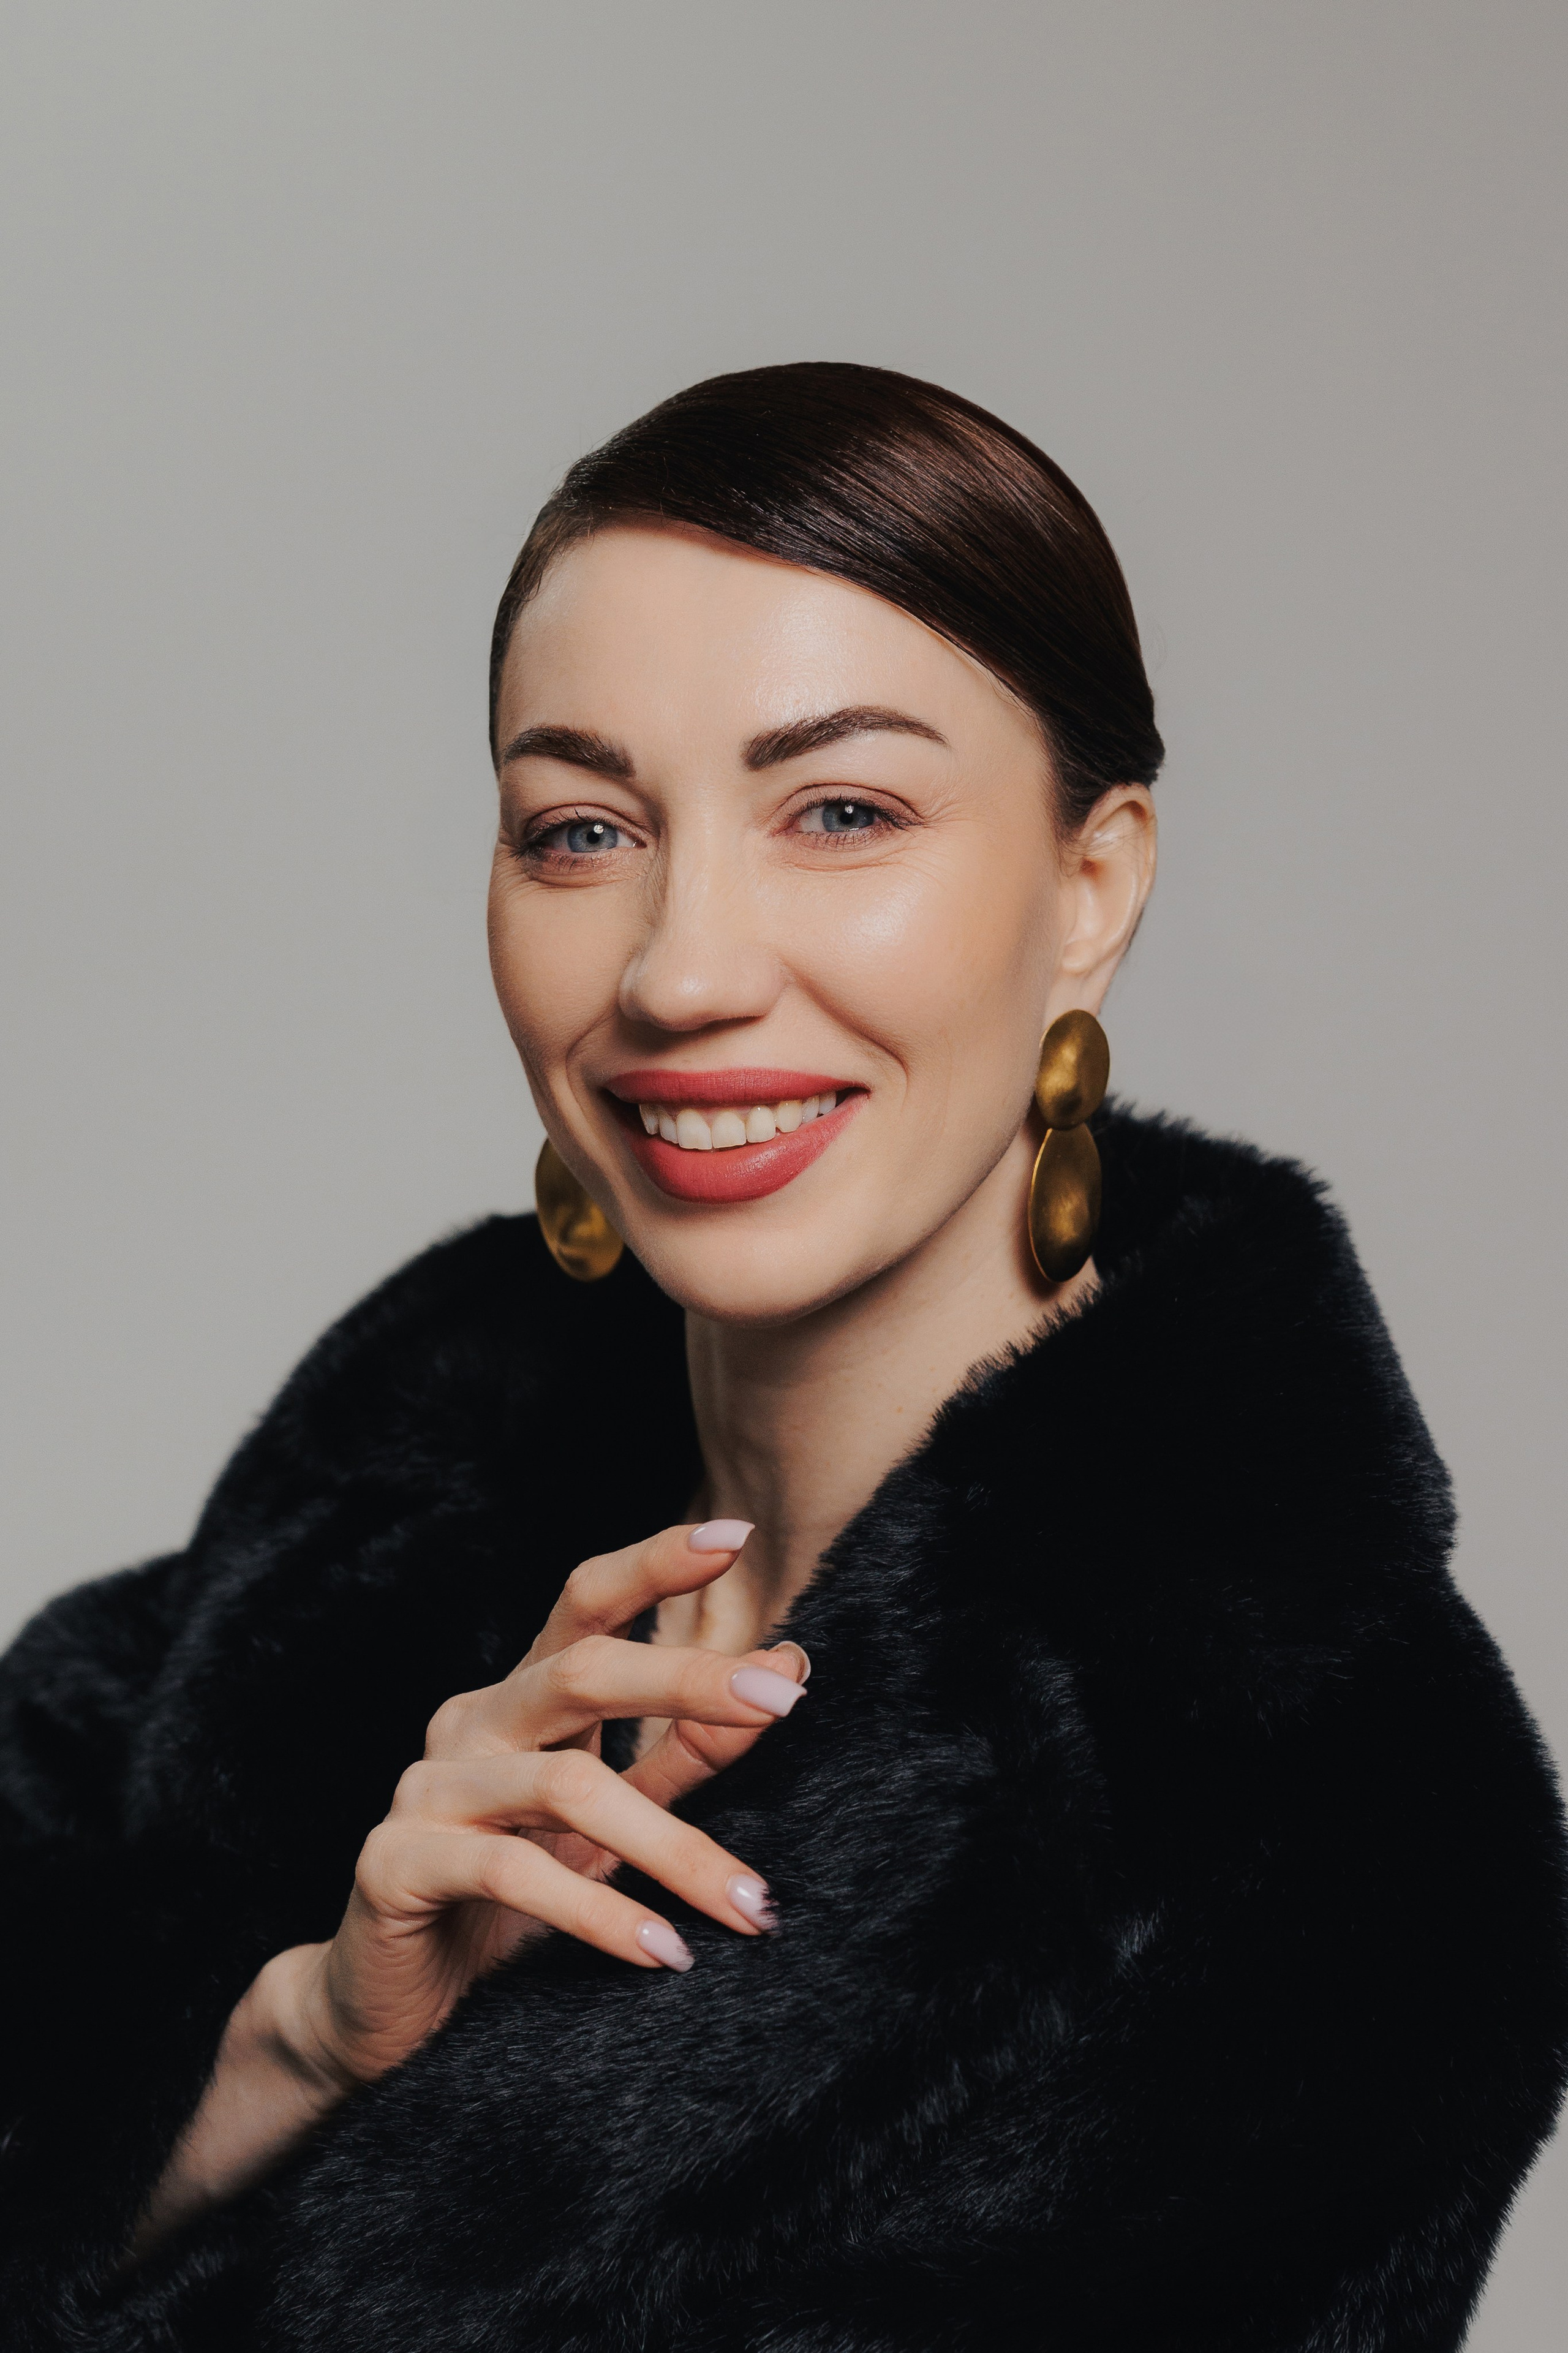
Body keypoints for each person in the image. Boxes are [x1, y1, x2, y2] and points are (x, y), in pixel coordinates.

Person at [2, 364, 1564, 2353]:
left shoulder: (1336, 1815)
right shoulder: (386, 1485)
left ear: (1093, 887)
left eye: (841, 810)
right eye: (580, 827)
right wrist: (299, 2038)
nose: (678, 968)